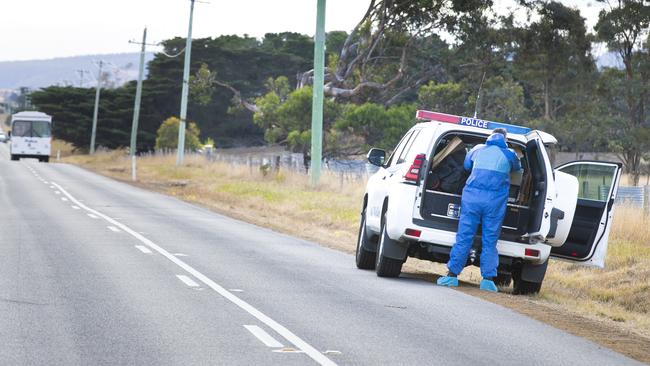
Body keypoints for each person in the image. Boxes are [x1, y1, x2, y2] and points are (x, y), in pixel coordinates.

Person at [436, 128, 522, 292]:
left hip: (472, 199)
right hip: (494, 203)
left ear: (489, 137)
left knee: (464, 236)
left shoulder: (476, 150)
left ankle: (452, 275)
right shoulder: (509, 153)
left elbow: (467, 165)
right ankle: (487, 280)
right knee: (490, 239)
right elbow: (517, 169)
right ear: (505, 139)